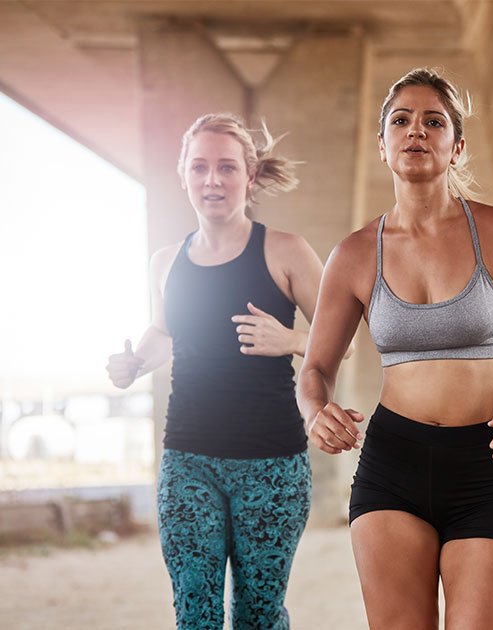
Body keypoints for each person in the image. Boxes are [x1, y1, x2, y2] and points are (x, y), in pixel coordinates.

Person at [297, 67, 493, 630]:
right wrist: (314, 412)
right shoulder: (354, 254)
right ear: (382, 146)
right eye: (400, 121)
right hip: (392, 463)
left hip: (489, 462)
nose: (416, 131)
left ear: (457, 145)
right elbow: (317, 368)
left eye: (433, 121)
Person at [105, 113, 329, 629]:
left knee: (257, 616)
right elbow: (163, 333)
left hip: (272, 466)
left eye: (227, 167)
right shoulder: (166, 261)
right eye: (200, 167)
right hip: (187, 463)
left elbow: (346, 338)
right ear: (183, 174)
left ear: (249, 177)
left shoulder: (286, 250)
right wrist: (137, 361)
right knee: (195, 615)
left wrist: (292, 341)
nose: (213, 180)